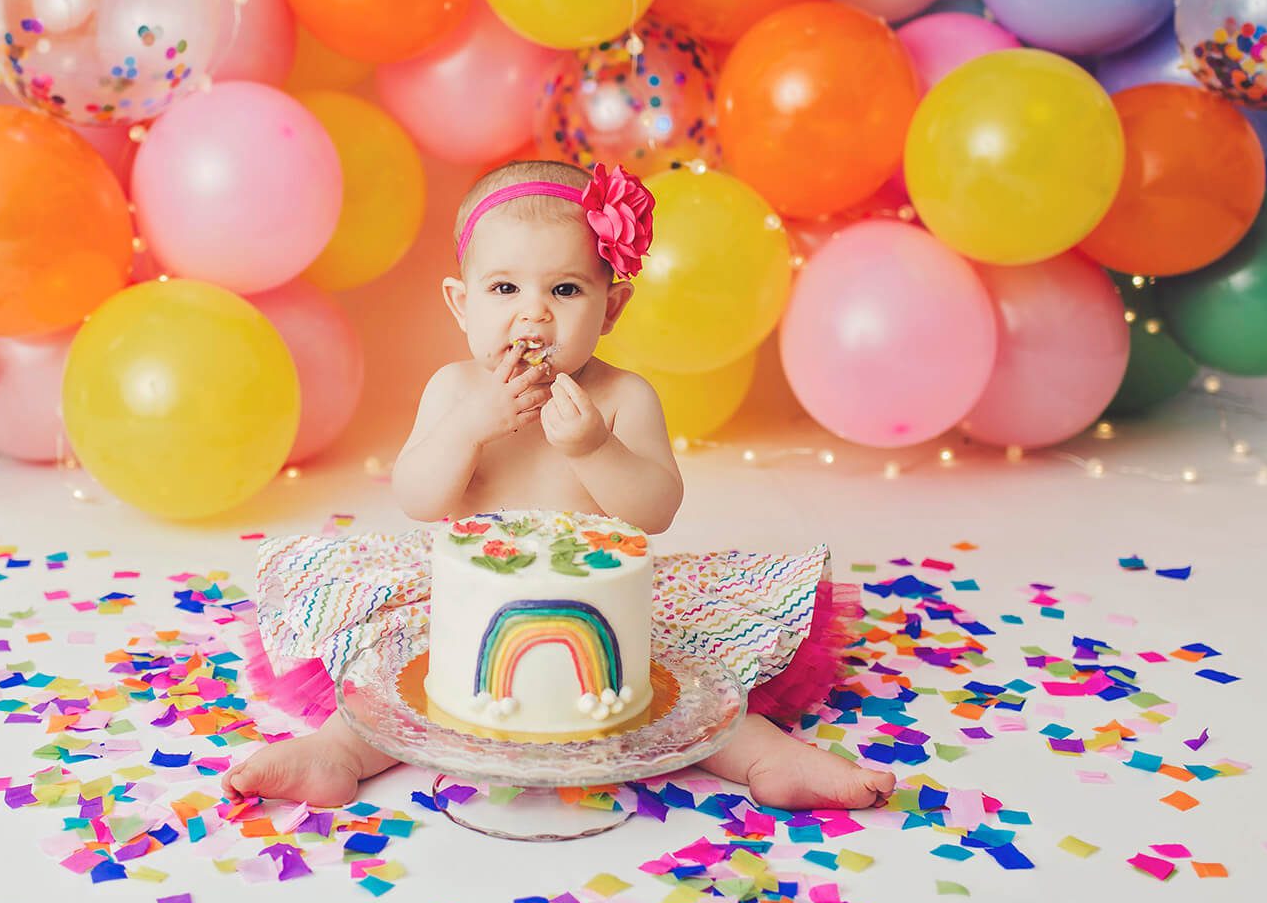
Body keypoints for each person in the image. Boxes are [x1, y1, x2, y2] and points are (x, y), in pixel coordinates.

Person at [223, 159, 895, 811]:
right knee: (405, 678)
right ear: (462, 303)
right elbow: (418, 497)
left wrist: (595, 448)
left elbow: (656, 508)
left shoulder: (623, 397)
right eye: (505, 289)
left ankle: (766, 759)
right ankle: (335, 755)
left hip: (607, 612)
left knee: (677, 685)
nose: (533, 316)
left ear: (611, 307)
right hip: (464, 604)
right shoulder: (455, 390)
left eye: (565, 290)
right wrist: (470, 428)